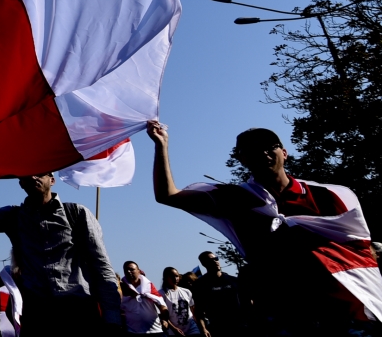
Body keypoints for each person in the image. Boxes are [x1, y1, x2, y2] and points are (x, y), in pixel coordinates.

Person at [150, 122, 381, 335]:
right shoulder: (235, 199)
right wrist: (162, 145)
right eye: (251, 149)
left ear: (284, 152)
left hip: (340, 308)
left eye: (270, 146)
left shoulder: (328, 195)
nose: (263, 153)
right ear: (242, 158)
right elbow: (168, 195)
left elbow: (358, 245)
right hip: (283, 311)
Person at [0, 158, 122, 335]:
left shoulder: (77, 214)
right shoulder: (13, 217)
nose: (33, 177)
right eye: (27, 175)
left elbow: (101, 266)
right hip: (37, 313)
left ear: (52, 180)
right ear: (21, 184)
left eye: (39, 173)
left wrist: (112, 318)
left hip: (77, 310)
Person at [191, 252, 243, 337]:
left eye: (216, 258)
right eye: (211, 260)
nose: (215, 261)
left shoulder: (233, 281)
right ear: (204, 263)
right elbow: (199, 311)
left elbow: (247, 302)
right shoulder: (200, 285)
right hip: (218, 327)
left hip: (239, 325)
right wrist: (203, 329)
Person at [120, 261, 169, 335]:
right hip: (132, 331)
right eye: (126, 270)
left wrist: (165, 320)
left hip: (154, 330)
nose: (129, 272)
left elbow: (161, 303)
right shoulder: (121, 287)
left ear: (138, 271)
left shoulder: (149, 286)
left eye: (131, 269)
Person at [161, 267, 207, 337]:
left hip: (192, 328)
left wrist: (203, 328)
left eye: (177, 276)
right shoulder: (161, 294)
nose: (175, 279)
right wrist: (174, 329)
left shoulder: (186, 291)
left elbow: (193, 312)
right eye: (172, 276)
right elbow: (163, 316)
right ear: (166, 278)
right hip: (174, 331)